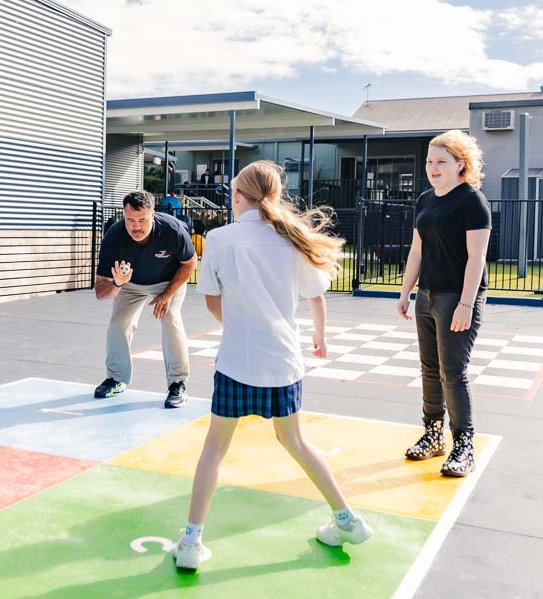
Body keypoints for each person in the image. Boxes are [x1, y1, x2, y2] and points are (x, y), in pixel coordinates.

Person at [174, 161, 372, 571]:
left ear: (238, 197)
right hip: (284, 361)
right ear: (275, 196)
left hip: (235, 362)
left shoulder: (219, 238)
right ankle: (347, 519)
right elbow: (316, 296)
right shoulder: (292, 240)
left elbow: (211, 299)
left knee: (214, 448)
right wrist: (320, 337)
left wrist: (239, 325)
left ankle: (191, 541)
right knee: (296, 442)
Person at [396, 130, 491, 477]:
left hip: (457, 298)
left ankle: (463, 444)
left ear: (460, 164)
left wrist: (466, 304)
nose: (433, 168)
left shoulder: (471, 200)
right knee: (430, 369)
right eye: (429, 162)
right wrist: (406, 292)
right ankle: (432, 435)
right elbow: (417, 250)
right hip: (427, 296)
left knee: (453, 372)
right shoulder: (425, 199)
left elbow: (476, 257)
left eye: (441, 162)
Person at [93, 190, 197, 408]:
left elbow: (189, 263)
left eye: (142, 220)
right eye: (130, 220)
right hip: (129, 283)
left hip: (168, 282)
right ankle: (116, 378)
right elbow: (101, 292)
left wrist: (167, 294)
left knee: (170, 318)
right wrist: (118, 283)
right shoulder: (114, 237)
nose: (136, 226)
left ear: (153, 215)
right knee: (117, 324)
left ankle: (178, 382)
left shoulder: (172, 229)